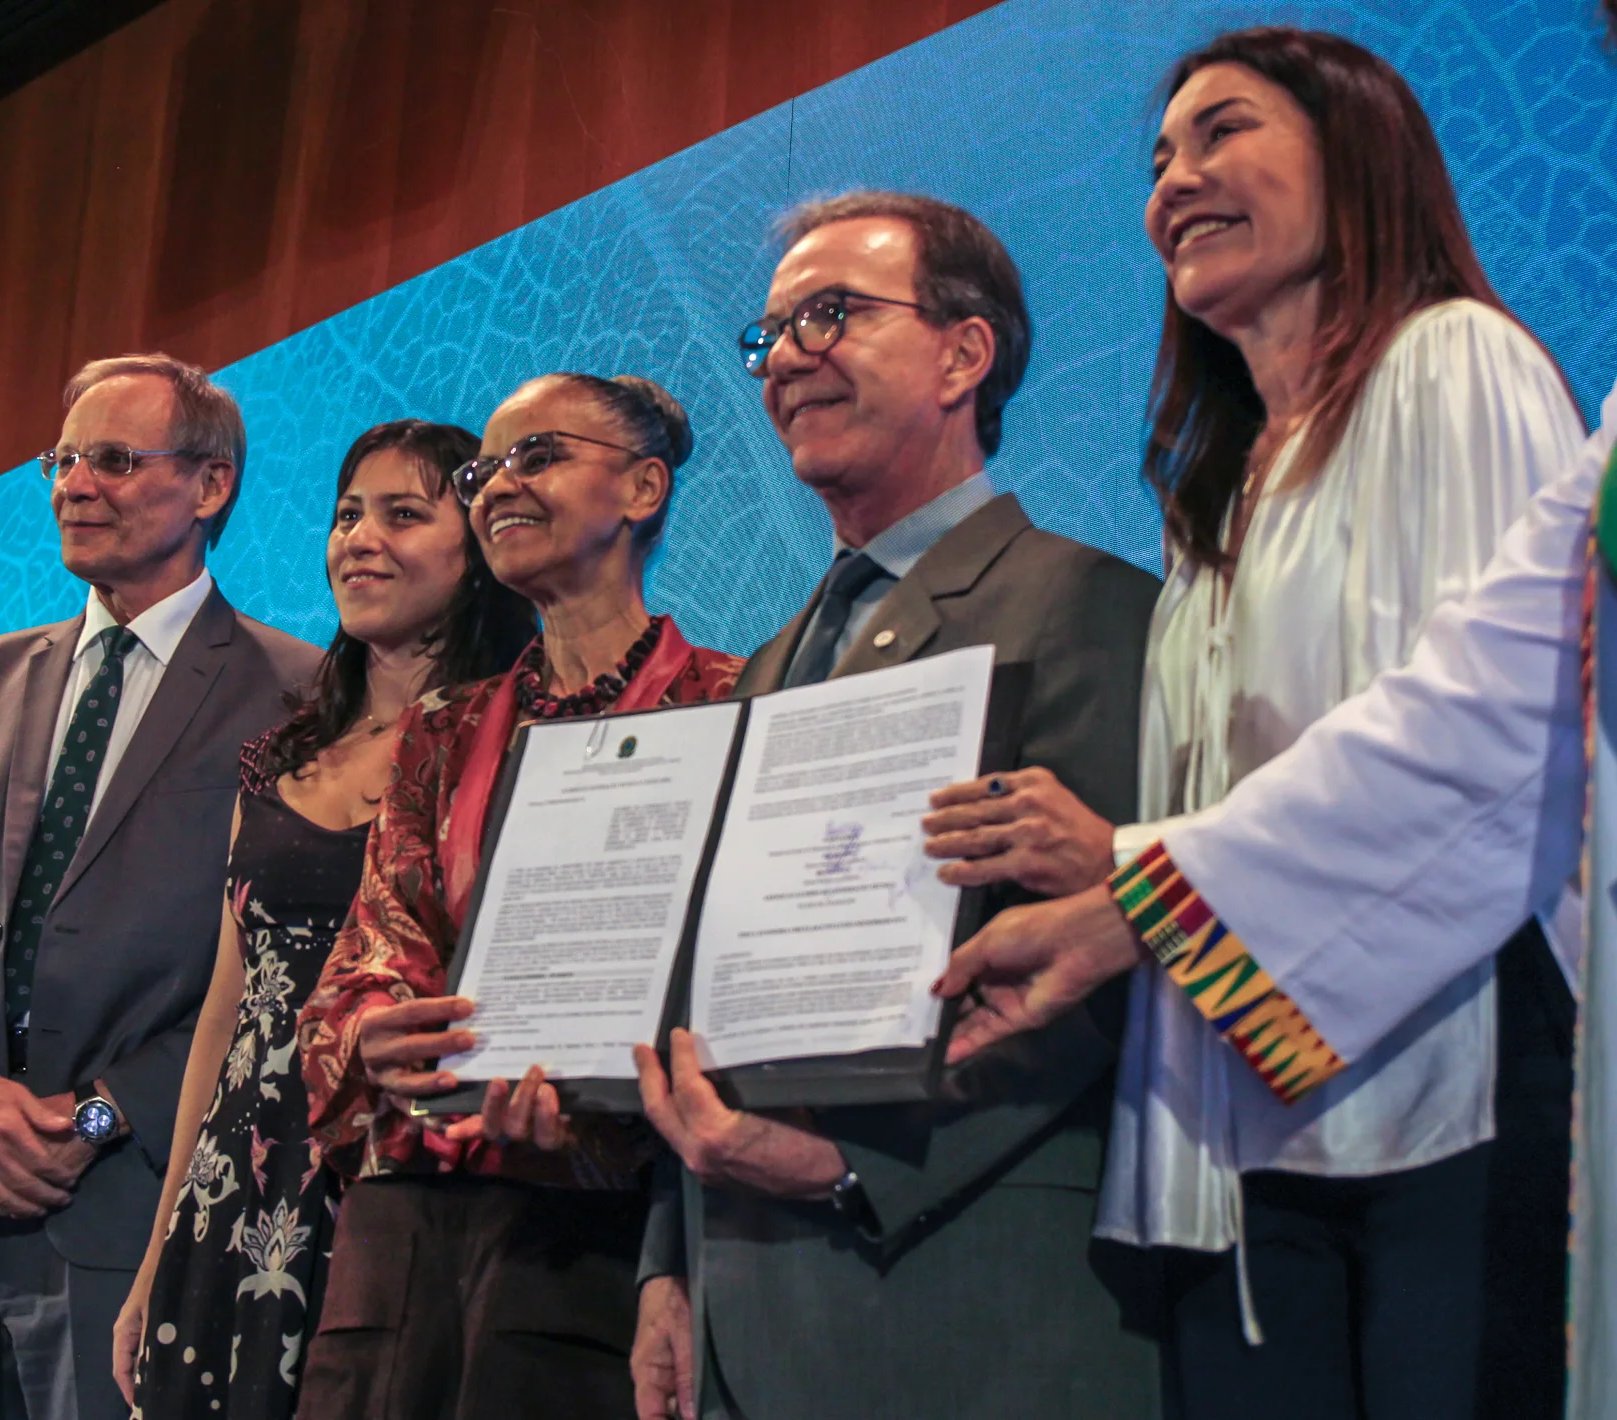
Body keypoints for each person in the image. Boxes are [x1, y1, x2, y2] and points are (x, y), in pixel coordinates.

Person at [919, 30, 1586, 1420]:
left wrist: (1137, 892)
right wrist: (1130, 874)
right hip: (1238, 1128)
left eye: (1222, 132)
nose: (1173, 181)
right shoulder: (1216, 500)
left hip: (1447, 1093)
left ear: (1356, 153)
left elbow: (1490, 738)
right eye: (1159, 157)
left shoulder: (1452, 363)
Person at [624, 192, 1162, 1420]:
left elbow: (1104, 968)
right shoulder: (761, 667)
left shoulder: (1085, 604)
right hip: (740, 1308)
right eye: (769, 335)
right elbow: (709, 986)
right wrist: (667, 1261)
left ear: (963, 354)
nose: (786, 357)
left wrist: (845, 1164)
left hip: (970, 1305)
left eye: (829, 315)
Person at [0, 354, 320, 1420]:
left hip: (128, 1206)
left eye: (111, 459)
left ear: (209, 485)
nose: (73, 486)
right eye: (60, 462)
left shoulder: (297, 693)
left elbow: (281, 969)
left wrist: (99, 1114)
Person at [293, 372, 742, 1420]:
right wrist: (377, 1036)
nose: (498, 486)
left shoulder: (731, 701)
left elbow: (735, 975)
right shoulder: (442, 730)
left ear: (642, 488)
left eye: (537, 456)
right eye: (482, 471)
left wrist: (600, 1094)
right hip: (405, 1225)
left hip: (607, 1229)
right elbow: (366, 957)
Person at [110, 419, 535, 1418]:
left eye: (403, 514)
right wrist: (161, 1244)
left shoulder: (511, 742)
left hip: (392, 1186)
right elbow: (226, 1015)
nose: (361, 541)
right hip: (232, 1188)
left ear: (478, 548)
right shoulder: (277, 756)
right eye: (347, 516)